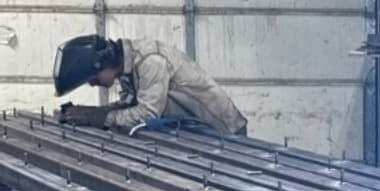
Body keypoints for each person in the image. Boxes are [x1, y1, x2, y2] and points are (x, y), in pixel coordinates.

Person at [53, 34, 247, 137]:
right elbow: (131, 106)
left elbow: (147, 114)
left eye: (92, 79)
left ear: (102, 64)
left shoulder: (150, 62)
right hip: (198, 135)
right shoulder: (127, 66)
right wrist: (87, 113)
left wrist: (96, 117)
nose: (93, 84)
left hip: (224, 133)